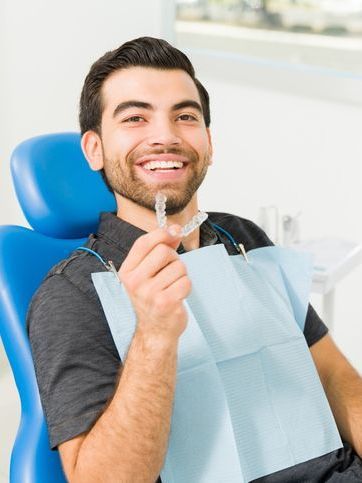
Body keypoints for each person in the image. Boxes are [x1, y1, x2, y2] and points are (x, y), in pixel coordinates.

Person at [27, 37, 362, 482]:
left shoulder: (243, 239)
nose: (165, 136)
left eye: (185, 117)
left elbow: (334, 374)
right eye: (135, 118)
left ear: (207, 141)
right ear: (94, 149)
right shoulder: (72, 292)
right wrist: (154, 337)